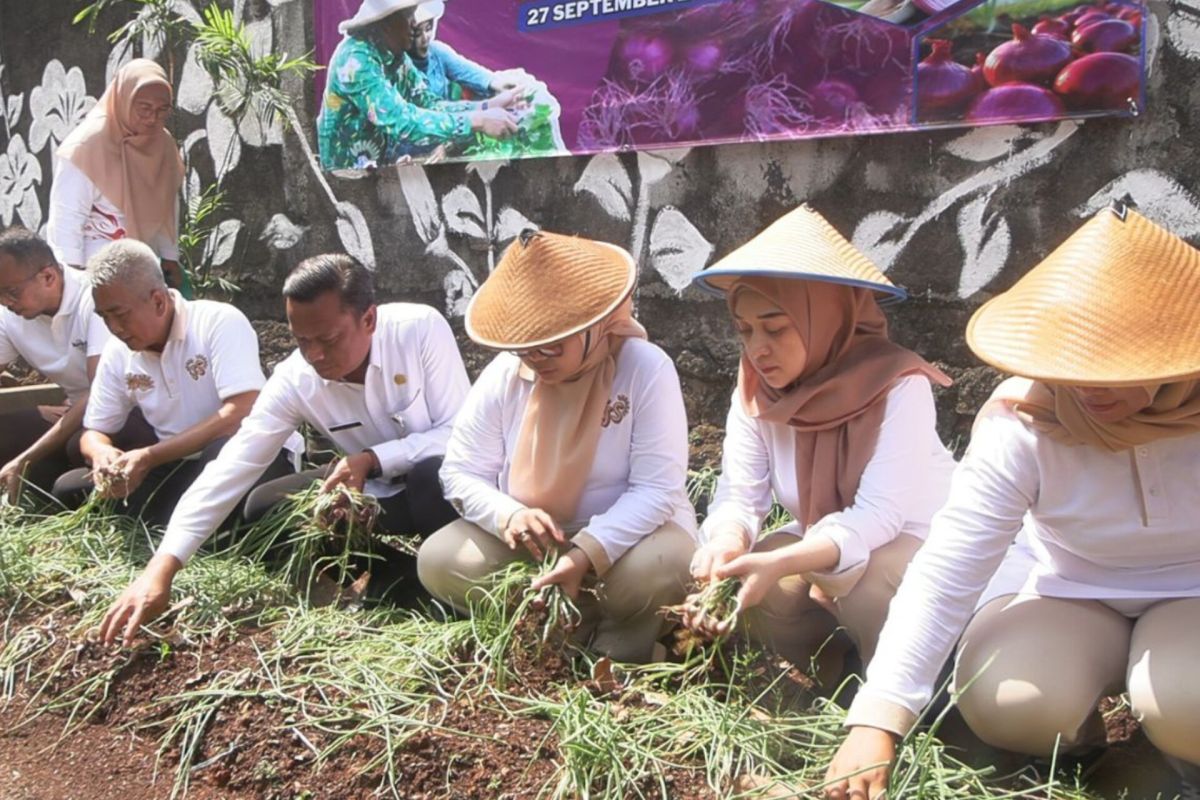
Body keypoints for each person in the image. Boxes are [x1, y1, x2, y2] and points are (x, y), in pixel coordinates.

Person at [823, 205, 1200, 800]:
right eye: (1072, 360)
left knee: (1187, 700)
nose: (1087, 388)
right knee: (1008, 698)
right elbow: (949, 566)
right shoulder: (1025, 419)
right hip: (1071, 586)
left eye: (1117, 366)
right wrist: (877, 718)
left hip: (1194, 592)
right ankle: (1085, 754)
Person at [99, 253, 469, 647]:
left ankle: (456, 587)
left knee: (435, 474)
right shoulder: (295, 379)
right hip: (371, 496)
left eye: (327, 339)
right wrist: (162, 568)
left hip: (439, 492)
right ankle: (404, 587)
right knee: (266, 507)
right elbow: (232, 467)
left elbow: (458, 434)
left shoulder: (418, 330)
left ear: (369, 320)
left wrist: (373, 459)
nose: (315, 356)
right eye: (301, 340)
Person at [682, 205, 955, 684]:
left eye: (776, 327)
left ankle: (911, 695)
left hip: (917, 542)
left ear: (825, 317)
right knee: (756, 584)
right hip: (828, 541)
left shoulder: (898, 384)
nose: (757, 349)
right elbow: (740, 493)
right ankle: (834, 675)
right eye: (745, 331)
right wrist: (727, 544)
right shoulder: (756, 388)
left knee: (866, 583)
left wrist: (784, 559)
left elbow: (880, 516)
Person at [417, 230, 697, 663]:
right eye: (526, 345)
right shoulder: (504, 375)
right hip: (536, 548)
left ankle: (620, 643)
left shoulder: (645, 369)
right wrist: (508, 514)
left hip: (628, 544)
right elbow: (460, 471)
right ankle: (557, 624)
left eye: (552, 342)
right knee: (437, 559)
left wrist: (586, 553)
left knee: (660, 568)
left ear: (593, 325)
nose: (536, 356)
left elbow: (657, 490)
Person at [52, 239, 287, 523]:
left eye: (121, 315)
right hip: (173, 465)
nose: (114, 328)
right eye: (104, 317)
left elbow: (239, 412)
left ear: (159, 301)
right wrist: (102, 453)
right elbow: (94, 430)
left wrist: (149, 456)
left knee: (222, 454)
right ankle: (180, 522)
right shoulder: (118, 351)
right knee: (70, 488)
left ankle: (191, 526)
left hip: (245, 457)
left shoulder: (218, 322)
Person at [317, 0, 523, 169]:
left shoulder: (397, 57)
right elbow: (401, 120)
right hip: (344, 178)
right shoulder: (355, 60)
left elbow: (429, 104)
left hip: (376, 167)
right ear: (387, 23)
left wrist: (487, 106)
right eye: (409, 17)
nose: (414, 24)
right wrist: (476, 121)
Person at [46, 59, 187, 293]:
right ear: (123, 100)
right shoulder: (87, 145)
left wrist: (170, 257)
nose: (152, 118)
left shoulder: (162, 144)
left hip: (144, 269)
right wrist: (72, 279)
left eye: (162, 110)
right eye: (144, 108)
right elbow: (66, 219)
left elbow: (165, 204)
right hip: (95, 273)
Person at [0, 227, 115, 501]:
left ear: (49, 277)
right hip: (69, 416)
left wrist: (27, 457)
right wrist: (34, 408)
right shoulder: (9, 315)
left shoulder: (96, 298)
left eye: (11, 292)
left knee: (77, 447)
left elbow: (98, 394)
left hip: (116, 414)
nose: (5, 302)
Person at [407, 1, 531, 102]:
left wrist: (495, 83)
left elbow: (466, 71)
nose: (425, 38)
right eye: (418, 33)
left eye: (428, 29)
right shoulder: (399, 66)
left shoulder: (437, 51)